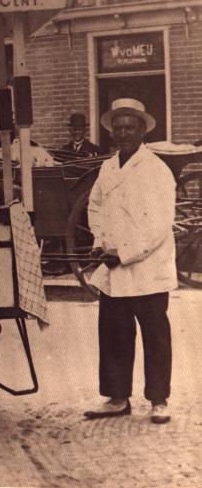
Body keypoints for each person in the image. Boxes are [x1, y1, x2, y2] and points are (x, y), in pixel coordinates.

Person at [84, 98, 177, 424]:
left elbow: (158, 225)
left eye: (130, 127)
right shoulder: (108, 167)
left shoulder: (156, 170)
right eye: (117, 128)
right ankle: (117, 397)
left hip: (147, 268)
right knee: (114, 333)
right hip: (113, 269)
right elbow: (95, 207)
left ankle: (158, 400)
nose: (123, 133)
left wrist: (122, 253)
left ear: (142, 130)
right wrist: (100, 241)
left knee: (155, 335)